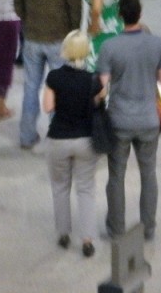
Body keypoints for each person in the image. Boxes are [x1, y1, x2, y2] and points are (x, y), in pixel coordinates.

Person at [98, 0, 161, 241]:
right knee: (148, 174)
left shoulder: (110, 46)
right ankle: (148, 227)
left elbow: (102, 86)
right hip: (149, 119)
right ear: (140, 14)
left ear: (120, 16)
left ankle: (117, 228)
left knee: (116, 176)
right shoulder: (157, 44)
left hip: (119, 120)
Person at [13, 0, 83, 149]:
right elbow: (75, 7)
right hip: (58, 40)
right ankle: (57, 135)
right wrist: (73, 34)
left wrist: (27, 21)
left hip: (32, 38)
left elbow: (18, 3)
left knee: (31, 87)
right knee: (59, 88)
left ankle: (26, 135)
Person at [43, 30, 102, 258]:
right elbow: (99, 101)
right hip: (86, 140)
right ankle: (87, 240)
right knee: (86, 189)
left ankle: (64, 233)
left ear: (65, 51)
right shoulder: (92, 80)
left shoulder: (54, 78)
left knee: (60, 187)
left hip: (58, 139)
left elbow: (48, 107)